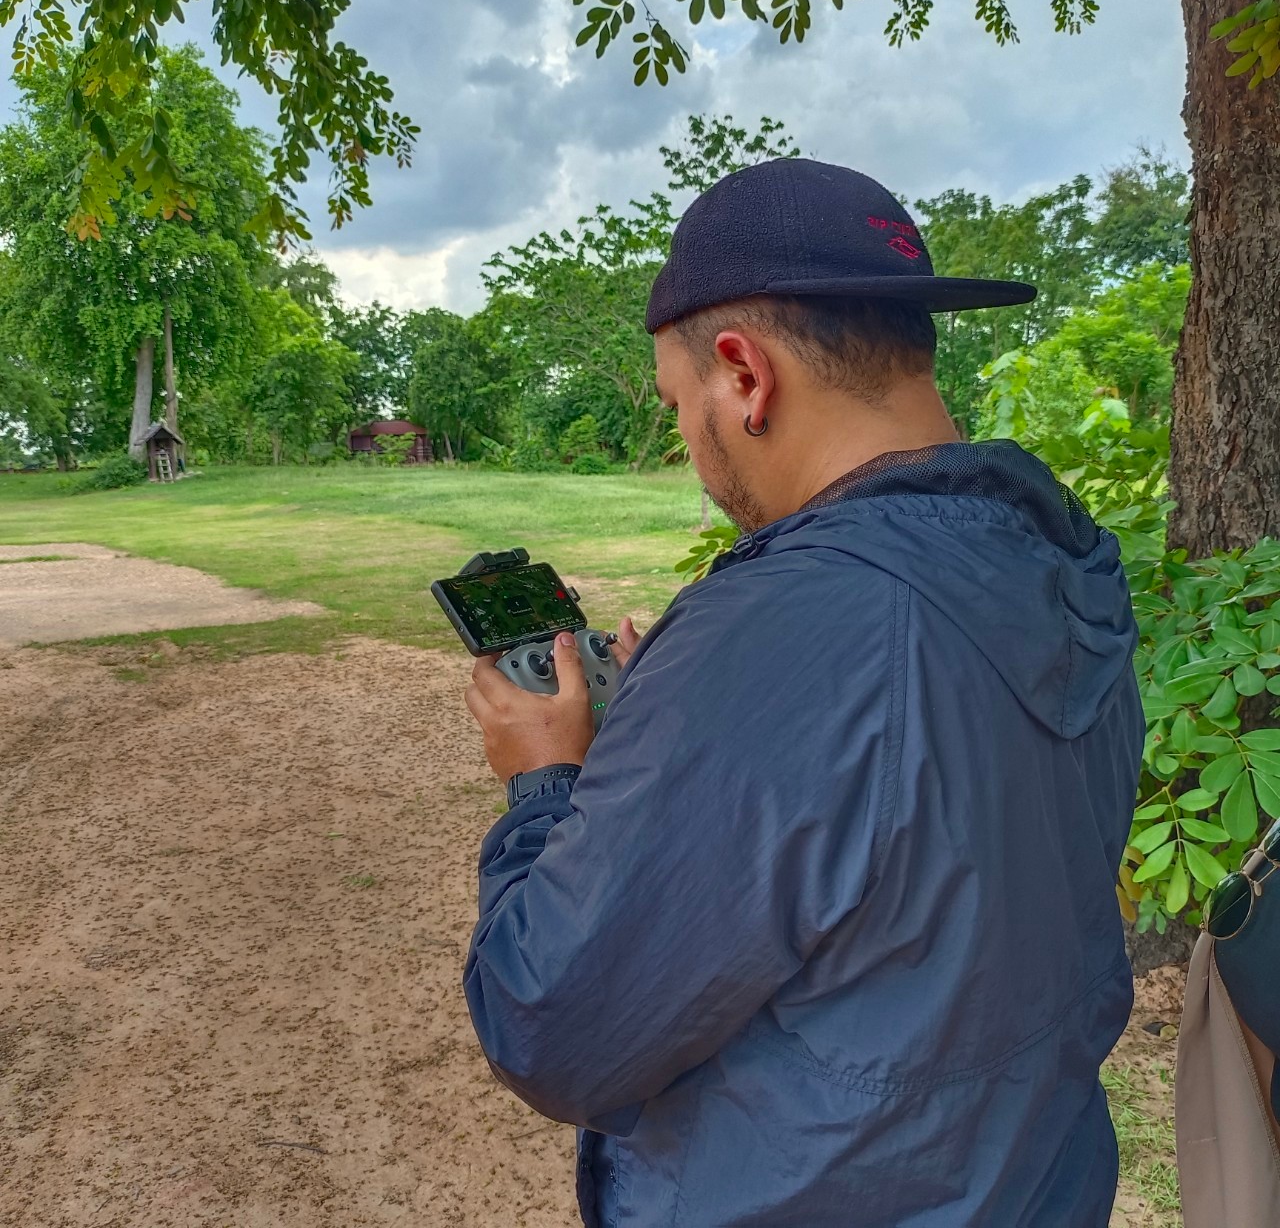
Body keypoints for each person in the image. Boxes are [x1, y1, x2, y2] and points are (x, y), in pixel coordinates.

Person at [461, 159, 1145, 1227]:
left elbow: (548, 1023)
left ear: (744, 374)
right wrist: (671, 732)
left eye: (676, 404)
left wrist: (547, 779)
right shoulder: (1061, 561)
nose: (686, 443)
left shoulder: (774, 632)